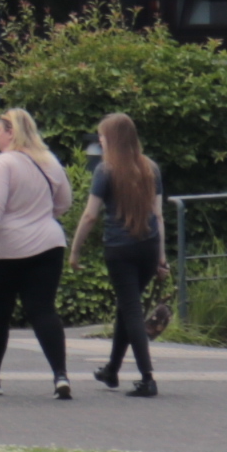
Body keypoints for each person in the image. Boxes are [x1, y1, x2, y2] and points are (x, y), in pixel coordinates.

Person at [0, 106, 73, 400]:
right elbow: (64, 202)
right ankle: (60, 375)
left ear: (11, 132)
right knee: (43, 310)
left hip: (5, 249)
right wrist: (39, 215)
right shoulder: (49, 161)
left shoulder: (2, 164)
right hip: (48, 245)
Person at [71, 110, 164, 399]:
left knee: (131, 309)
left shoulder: (105, 170)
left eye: (102, 136)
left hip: (119, 249)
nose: (100, 140)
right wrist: (162, 257)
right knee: (128, 307)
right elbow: (158, 216)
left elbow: (89, 216)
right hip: (148, 246)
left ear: (112, 139)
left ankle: (147, 377)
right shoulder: (151, 168)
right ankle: (111, 370)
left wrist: (75, 250)